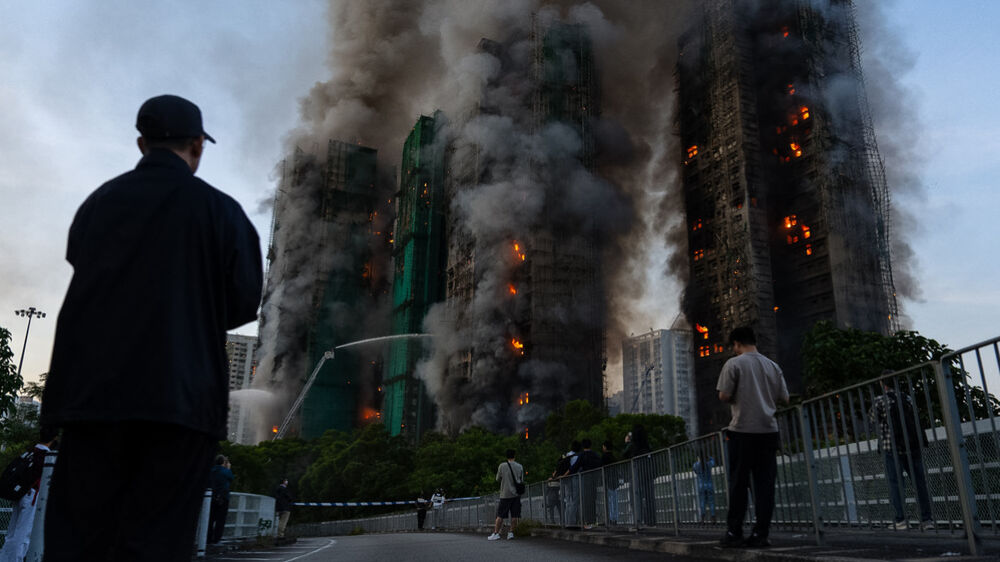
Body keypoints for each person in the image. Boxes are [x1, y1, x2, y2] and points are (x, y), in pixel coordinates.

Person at [40, 94, 263, 561]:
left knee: (78, 539)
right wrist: (189, 316)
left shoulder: (98, 204)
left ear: (142, 143)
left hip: (91, 401)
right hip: (179, 404)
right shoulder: (223, 213)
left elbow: (81, 264)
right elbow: (244, 302)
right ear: (198, 146)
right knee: (158, 541)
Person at [716, 326, 789, 548]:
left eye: (734, 346)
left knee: (739, 483)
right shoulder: (772, 366)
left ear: (737, 343)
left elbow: (724, 395)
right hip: (769, 431)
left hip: (742, 431)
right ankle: (761, 534)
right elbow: (784, 398)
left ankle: (734, 531)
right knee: (765, 485)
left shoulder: (734, 364)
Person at [869, 374, 934, 531]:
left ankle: (901, 520)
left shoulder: (879, 400)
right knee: (919, 482)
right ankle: (927, 520)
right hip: (912, 445)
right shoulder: (907, 398)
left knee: (896, 484)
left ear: (882, 383)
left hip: (891, 446)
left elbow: (872, 420)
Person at [0, 427, 58, 562]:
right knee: (23, 536)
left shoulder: (29, 453)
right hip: (32, 497)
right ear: (54, 438)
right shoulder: (46, 457)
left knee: (11, 533)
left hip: (19, 495)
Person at [488, 449, 524, 541]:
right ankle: (511, 533)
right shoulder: (519, 466)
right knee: (515, 515)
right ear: (514, 456)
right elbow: (521, 479)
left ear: (506, 456)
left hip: (505, 494)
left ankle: (496, 533)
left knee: (500, 515)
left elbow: (497, 479)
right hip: (516, 494)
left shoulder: (502, 466)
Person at [624, 425, 655, 526]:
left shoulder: (633, 445)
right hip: (648, 472)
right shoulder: (647, 445)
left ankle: (638, 520)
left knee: (636, 497)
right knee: (649, 497)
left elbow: (624, 454)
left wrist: (627, 442)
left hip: (636, 473)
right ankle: (651, 521)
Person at [572, 439, 602, 528]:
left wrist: (566, 474)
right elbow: (600, 463)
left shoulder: (582, 455)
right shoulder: (595, 454)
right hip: (594, 480)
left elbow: (575, 466)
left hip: (585, 480)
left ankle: (587, 521)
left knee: (585, 501)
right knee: (593, 500)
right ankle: (593, 520)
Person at [209, 455, 234, 544]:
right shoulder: (225, 471)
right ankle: (216, 539)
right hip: (223, 497)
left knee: (210, 518)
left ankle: (208, 538)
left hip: (211, 496)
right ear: (224, 463)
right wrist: (228, 468)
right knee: (220, 519)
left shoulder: (212, 470)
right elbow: (231, 478)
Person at [560, 441, 582, 527]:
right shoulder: (577, 456)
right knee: (575, 500)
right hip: (574, 478)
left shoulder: (567, 455)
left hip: (566, 480)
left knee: (568, 501)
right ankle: (572, 523)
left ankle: (567, 522)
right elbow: (576, 467)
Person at [693, 455, 716, 523]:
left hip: (701, 486)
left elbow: (695, 471)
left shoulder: (695, 465)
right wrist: (709, 457)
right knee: (711, 502)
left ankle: (702, 519)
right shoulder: (709, 464)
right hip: (709, 485)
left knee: (702, 502)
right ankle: (713, 518)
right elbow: (713, 460)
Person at [601, 440, 619, 525]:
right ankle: (614, 518)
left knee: (608, 500)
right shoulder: (614, 457)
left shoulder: (604, 457)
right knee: (614, 500)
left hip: (607, 480)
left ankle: (609, 519)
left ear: (605, 447)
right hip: (614, 480)